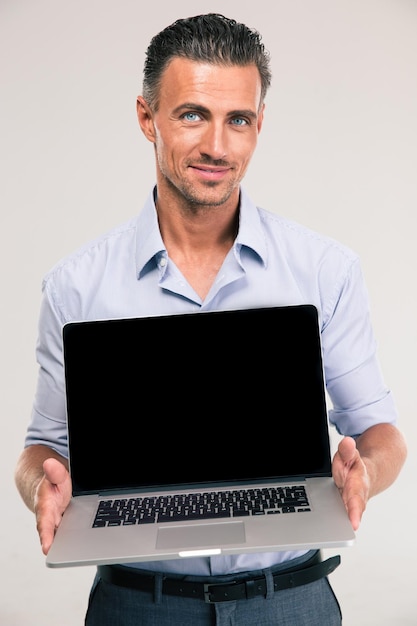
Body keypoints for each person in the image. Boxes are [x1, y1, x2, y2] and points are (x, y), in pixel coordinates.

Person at [15, 13, 407, 626]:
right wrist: (42, 485)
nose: (218, 147)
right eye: (192, 114)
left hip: (291, 602)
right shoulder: (76, 286)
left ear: (259, 126)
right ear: (147, 118)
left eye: (239, 120)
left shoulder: (325, 270)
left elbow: (379, 434)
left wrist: (364, 475)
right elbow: (44, 446)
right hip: (136, 606)